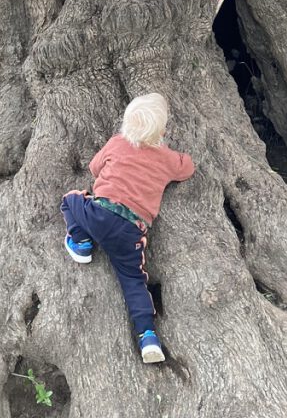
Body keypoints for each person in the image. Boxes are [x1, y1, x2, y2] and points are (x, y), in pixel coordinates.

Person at [60, 93, 195, 364]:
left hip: (99, 215)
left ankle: (82, 243)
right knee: (133, 280)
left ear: (125, 123)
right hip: (131, 230)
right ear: (163, 131)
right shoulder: (166, 158)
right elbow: (187, 168)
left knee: (70, 200)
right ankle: (148, 337)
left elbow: (94, 167)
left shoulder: (117, 143)